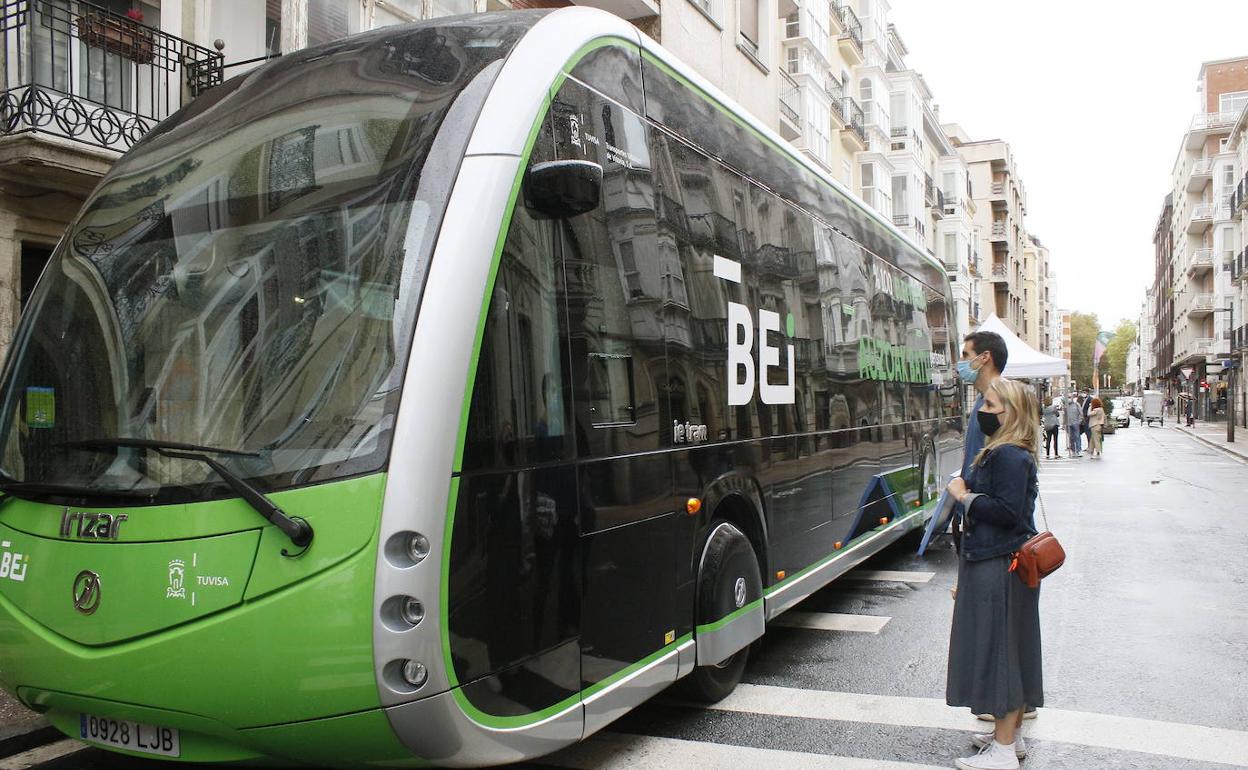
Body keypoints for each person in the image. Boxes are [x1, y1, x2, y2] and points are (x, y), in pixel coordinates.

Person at [945, 377, 1043, 770]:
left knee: (1001, 654)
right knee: (1011, 651)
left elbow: (1006, 513)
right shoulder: (1010, 452)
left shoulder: (1008, 456)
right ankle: (1008, 738)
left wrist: (963, 495)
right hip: (1004, 562)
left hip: (1000, 564)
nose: (981, 412)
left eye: (989, 406)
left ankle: (1003, 750)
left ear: (1011, 413)